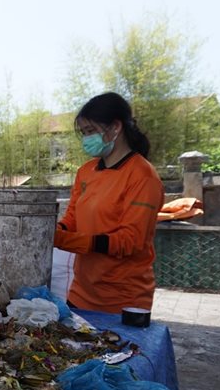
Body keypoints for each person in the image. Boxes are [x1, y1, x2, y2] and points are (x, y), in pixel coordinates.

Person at [54, 92, 164, 314]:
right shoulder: (86, 172)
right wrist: (53, 231)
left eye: (91, 131)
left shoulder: (143, 176)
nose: (86, 139)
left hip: (123, 298)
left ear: (115, 127)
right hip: (81, 291)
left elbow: (130, 240)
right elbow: (72, 218)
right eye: (84, 133)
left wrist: (69, 241)